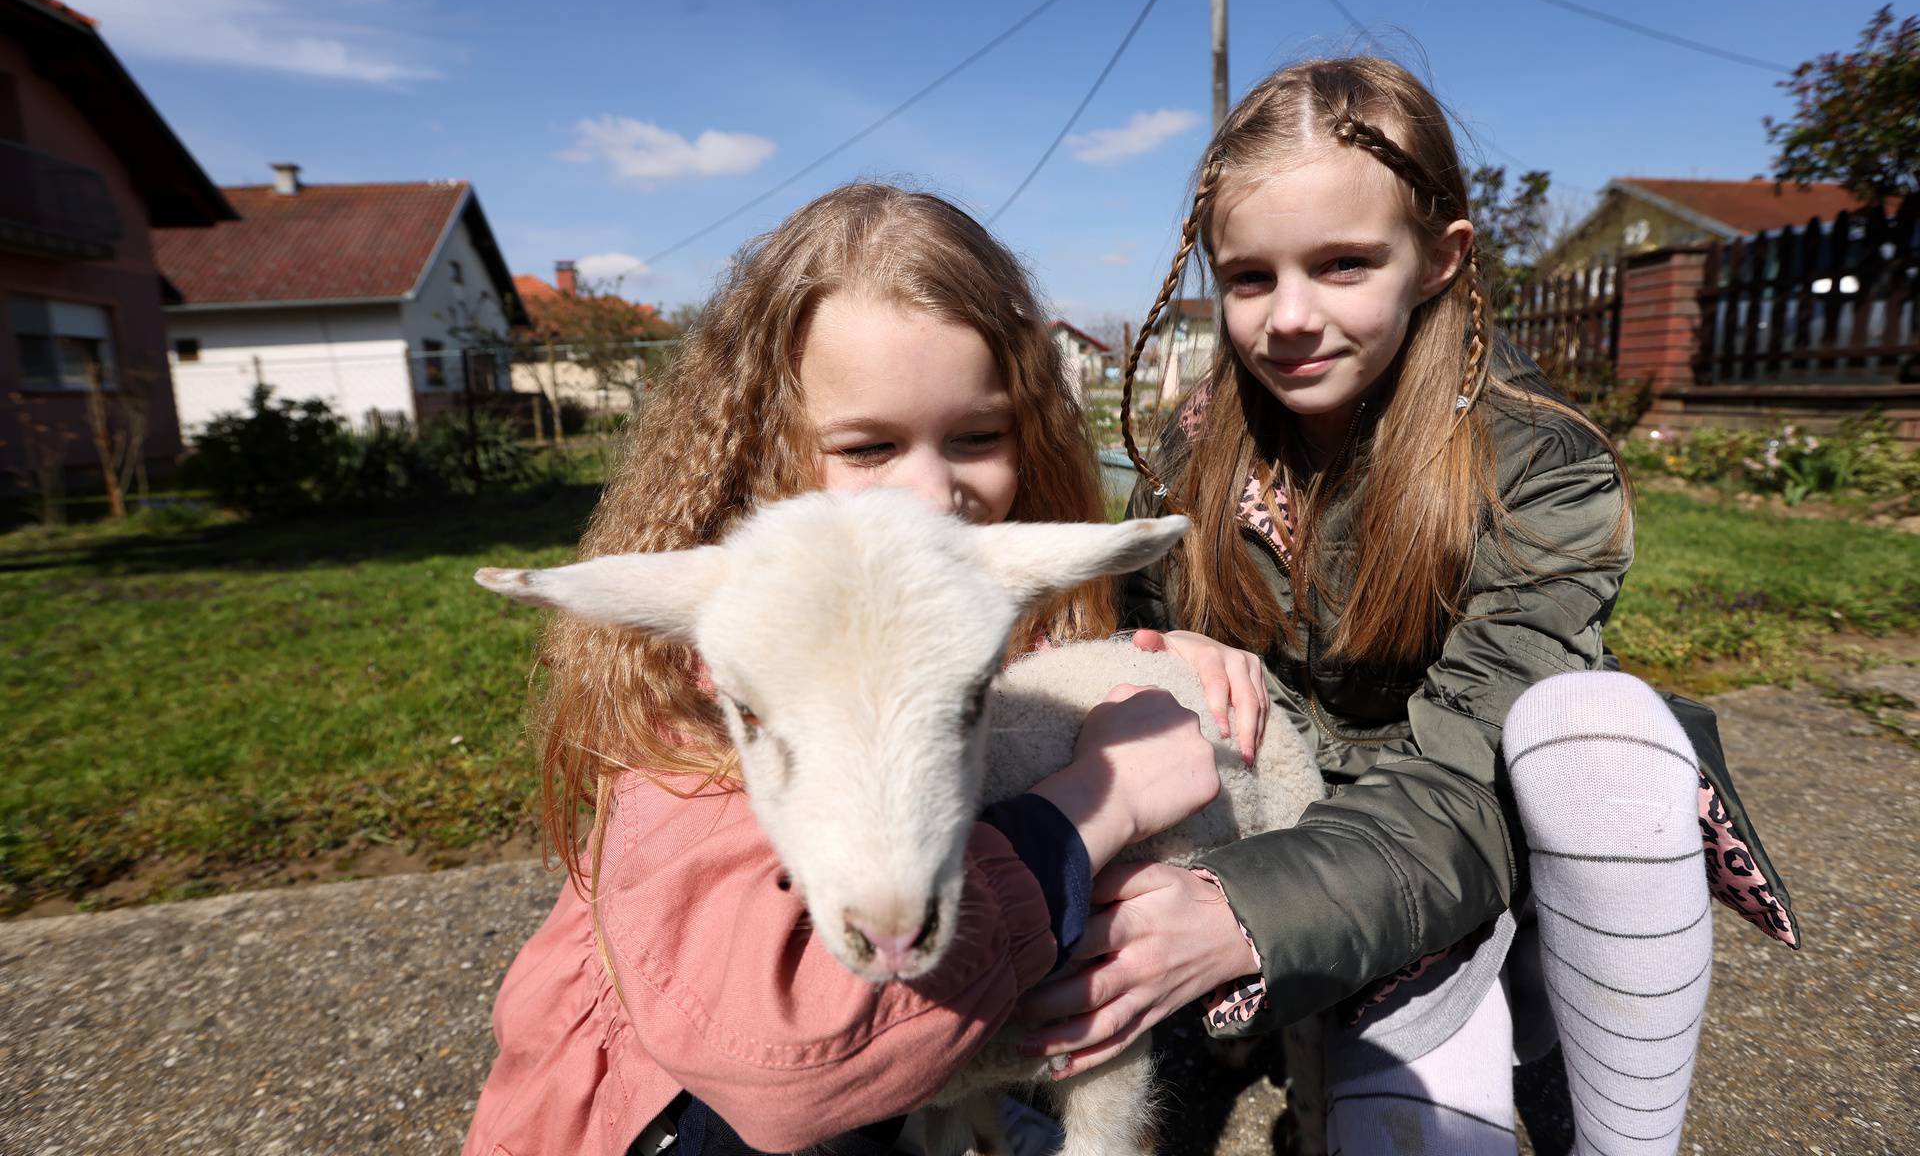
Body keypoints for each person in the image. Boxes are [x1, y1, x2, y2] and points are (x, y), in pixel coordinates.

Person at [1017, 57, 1800, 1155]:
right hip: (1333, 862)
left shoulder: (1539, 467)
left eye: (1344, 263)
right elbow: (1139, 642)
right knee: (1414, 1129)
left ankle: (1614, 1118)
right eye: (1249, 276)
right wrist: (1174, 641)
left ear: (1440, 257)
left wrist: (1243, 917)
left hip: (1478, 842)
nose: (1289, 317)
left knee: (1599, 727)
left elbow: (1462, 775)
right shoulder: (1200, 451)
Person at [462, 183, 1255, 1156]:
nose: (929, 491)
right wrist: (1096, 804)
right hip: (668, 1123)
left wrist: (1175, 659)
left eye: (976, 436)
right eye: (870, 445)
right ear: (764, 444)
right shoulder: (700, 692)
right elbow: (787, 1068)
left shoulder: (972, 613)